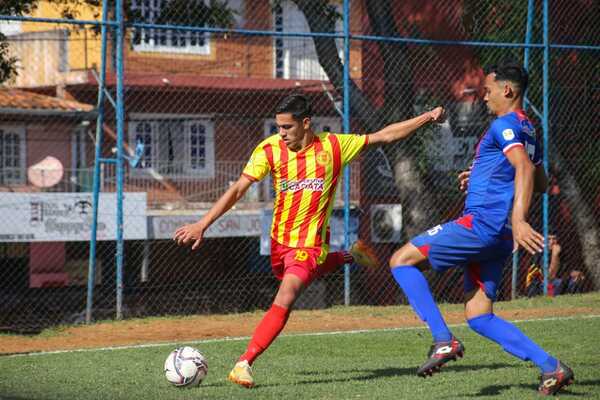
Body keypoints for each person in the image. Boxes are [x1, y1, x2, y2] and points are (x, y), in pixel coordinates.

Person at [174, 93, 444, 388]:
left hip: (310, 244)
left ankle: (244, 363)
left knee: (287, 293)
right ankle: (349, 255)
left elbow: (384, 136)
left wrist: (426, 117)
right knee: (298, 276)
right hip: (279, 242)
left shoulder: (334, 146)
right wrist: (203, 223)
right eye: (278, 127)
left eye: (287, 127)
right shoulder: (269, 150)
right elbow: (239, 189)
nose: (281, 133)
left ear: (305, 123)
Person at [388, 59, 574, 395]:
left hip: (482, 226)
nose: (484, 98)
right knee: (479, 315)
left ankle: (443, 340)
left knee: (401, 261)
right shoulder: (528, 128)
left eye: (488, 91)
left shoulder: (504, 124)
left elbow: (526, 172)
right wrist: (481, 177)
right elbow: (542, 179)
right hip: (497, 235)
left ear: (507, 90)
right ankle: (552, 367)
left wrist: (519, 219)